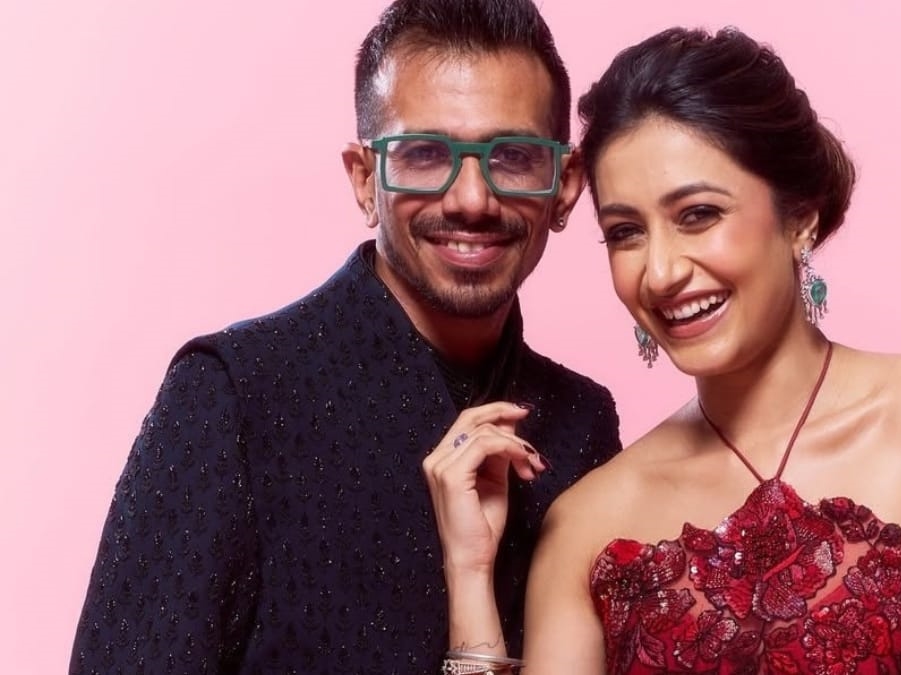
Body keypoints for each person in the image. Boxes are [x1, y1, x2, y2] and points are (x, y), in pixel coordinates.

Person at [431, 26, 901, 674]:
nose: (661, 271)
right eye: (625, 233)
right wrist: (468, 576)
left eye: (698, 215)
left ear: (799, 217)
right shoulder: (588, 523)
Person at [68, 1, 621, 673]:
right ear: (365, 180)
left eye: (513, 157)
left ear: (564, 186)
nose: (471, 199)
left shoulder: (581, 423)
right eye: (424, 155)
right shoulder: (233, 394)